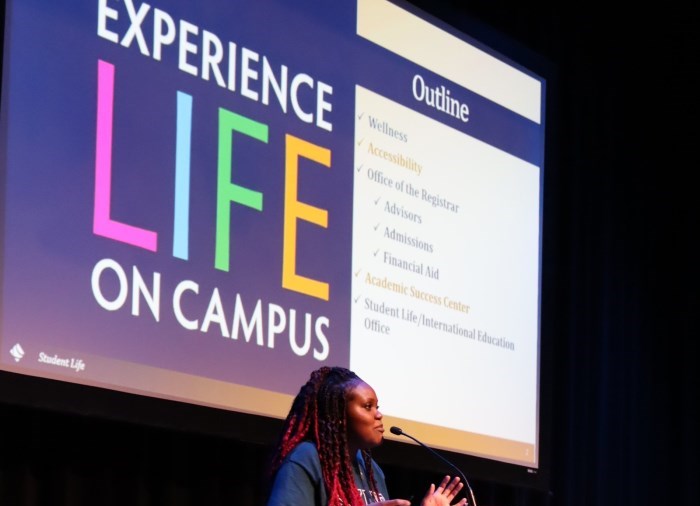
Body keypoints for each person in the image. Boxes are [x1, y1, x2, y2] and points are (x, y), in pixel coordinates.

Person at [266, 366, 468, 506]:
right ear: (338, 416)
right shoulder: (307, 458)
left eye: (377, 407)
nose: (379, 414)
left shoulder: (374, 472)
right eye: (367, 406)